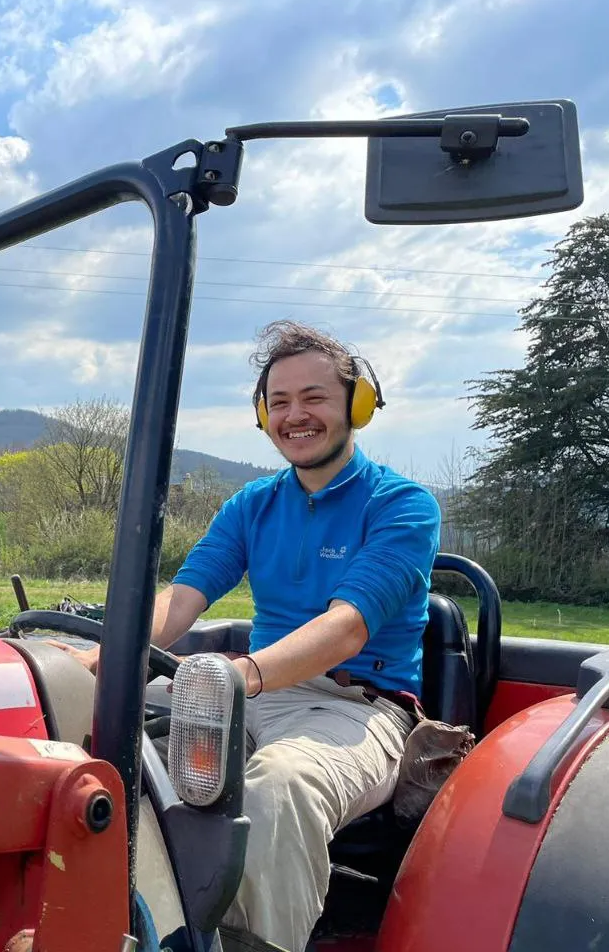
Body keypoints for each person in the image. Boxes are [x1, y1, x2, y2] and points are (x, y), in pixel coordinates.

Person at [52, 319, 441, 952]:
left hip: (355, 707)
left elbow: (347, 628)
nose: (296, 415)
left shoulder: (402, 506)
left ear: (357, 405)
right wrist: (97, 660)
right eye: (280, 401)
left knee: (283, 783)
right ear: (263, 413)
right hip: (249, 695)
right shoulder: (251, 505)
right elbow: (181, 600)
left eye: (314, 398)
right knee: (98, 742)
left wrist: (247, 673)